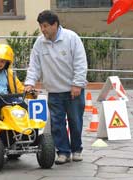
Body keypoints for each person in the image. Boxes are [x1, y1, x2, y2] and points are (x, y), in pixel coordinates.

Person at [24, 10, 87, 165]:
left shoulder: (71, 38)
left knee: (75, 122)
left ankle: (76, 149)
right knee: (57, 124)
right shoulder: (40, 43)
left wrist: (77, 84)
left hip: (73, 90)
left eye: (45, 26)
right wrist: (29, 82)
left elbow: (80, 63)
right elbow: (34, 66)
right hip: (54, 91)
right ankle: (63, 152)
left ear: (55, 25)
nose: (43, 29)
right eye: (41, 26)